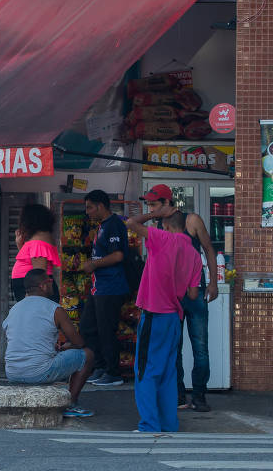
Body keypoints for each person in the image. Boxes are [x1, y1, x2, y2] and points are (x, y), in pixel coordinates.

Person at [141, 183, 217, 412]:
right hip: (169, 297)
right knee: (174, 347)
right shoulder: (157, 225)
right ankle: (179, 395)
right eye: (149, 205)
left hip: (194, 292)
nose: (151, 209)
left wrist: (213, 282)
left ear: (167, 202)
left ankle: (200, 394)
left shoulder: (191, 220)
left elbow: (208, 249)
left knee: (200, 347)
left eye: (154, 204)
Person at [125, 206, 202, 433]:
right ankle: (169, 424)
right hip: (173, 318)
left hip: (154, 315)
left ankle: (149, 425)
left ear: (166, 225)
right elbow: (193, 294)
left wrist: (153, 214)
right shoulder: (194, 255)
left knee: (146, 372)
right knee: (168, 374)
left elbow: (130, 223)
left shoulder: (163, 238)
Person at [3, 269, 95, 417]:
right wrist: (67, 346)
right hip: (38, 372)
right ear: (43, 286)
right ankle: (70, 403)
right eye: (50, 281)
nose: (53, 284)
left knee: (50, 357)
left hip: (12, 372)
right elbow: (78, 342)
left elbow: (14, 336)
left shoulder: (15, 308)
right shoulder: (54, 309)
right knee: (87, 355)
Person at [80, 190, 129, 387]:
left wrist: (94, 264)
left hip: (111, 287)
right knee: (88, 327)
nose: (88, 212)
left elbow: (118, 256)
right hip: (98, 287)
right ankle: (100, 366)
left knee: (106, 330)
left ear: (100, 205)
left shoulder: (114, 224)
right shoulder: (102, 226)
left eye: (90, 207)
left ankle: (113, 372)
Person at [11, 204, 61, 302]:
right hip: (31, 288)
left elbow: (39, 273)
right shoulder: (40, 237)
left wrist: (29, 296)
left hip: (33, 290)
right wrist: (20, 245)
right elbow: (32, 262)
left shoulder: (39, 241)